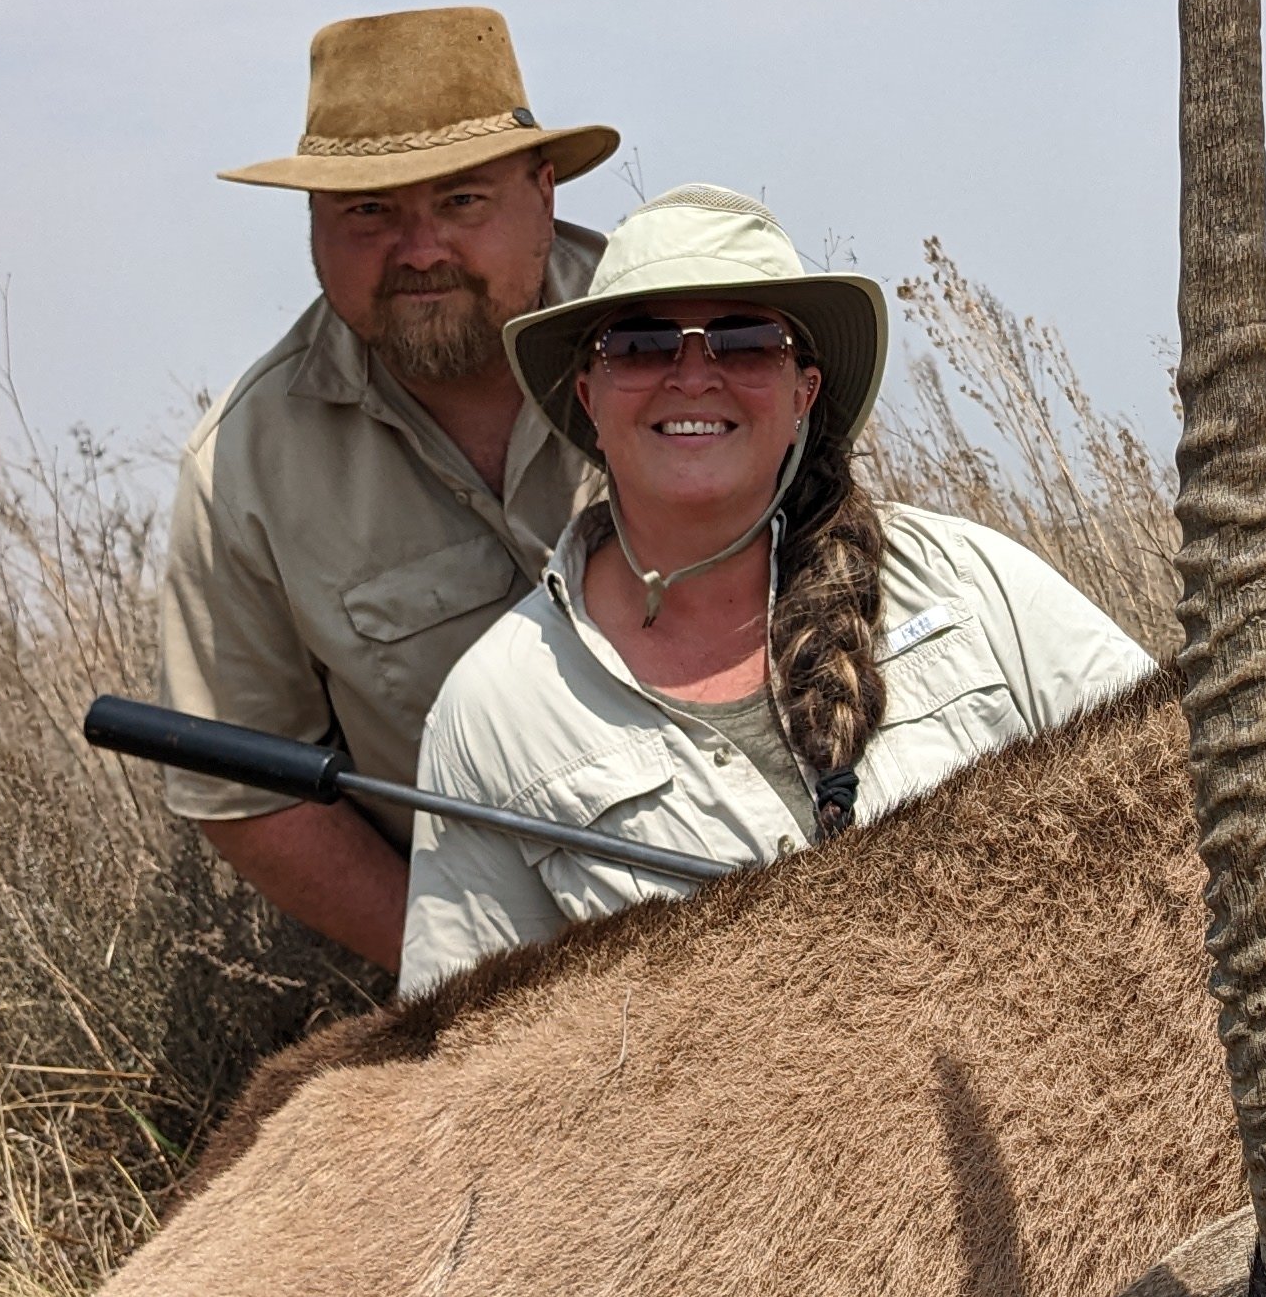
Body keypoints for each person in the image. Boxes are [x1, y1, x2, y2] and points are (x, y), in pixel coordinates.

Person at [399, 183, 1154, 991]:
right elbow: (474, 1053)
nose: (692, 376)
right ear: (589, 396)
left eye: (747, 341)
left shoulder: (976, 585)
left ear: (805, 393)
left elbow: (1180, 804)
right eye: (643, 346)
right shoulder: (493, 709)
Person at [160, 5, 620, 975]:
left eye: (461, 201)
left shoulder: (695, 344)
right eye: (370, 211)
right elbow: (247, 792)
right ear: (315, 223)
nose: (418, 252)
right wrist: (465, 978)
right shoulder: (240, 472)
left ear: (543, 192)